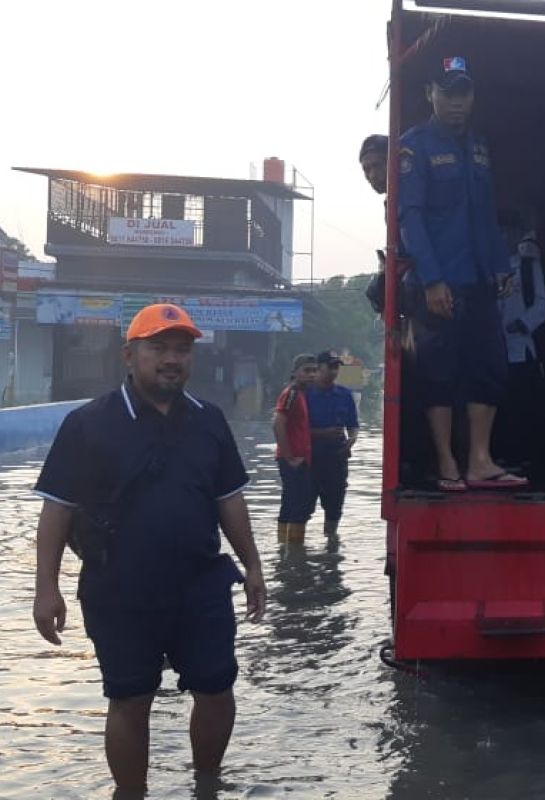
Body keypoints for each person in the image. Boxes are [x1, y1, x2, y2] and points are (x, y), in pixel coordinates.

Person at [31, 303, 266, 795]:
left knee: (217, 689)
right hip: (119, 586)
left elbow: (230, 500)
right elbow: (57, 510)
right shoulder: (88, 423)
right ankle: (131, 794)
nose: (171, 359)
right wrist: (45, 588)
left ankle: (207, 785)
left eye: (181, 349)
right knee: (130, 699)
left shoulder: (209, 421)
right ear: (129, 355)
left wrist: (254, 567)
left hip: (201, 583)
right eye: (157, 347)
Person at [397, 55, 526, 492]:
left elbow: (485, 214)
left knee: (488, 367)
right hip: (441, 281)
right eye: (448, 92)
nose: (457, 102)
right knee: (440, 374)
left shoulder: (478, 146)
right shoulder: (414, 147)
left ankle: (480, 461)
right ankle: (447, 463)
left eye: (464, 93)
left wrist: (500, 266)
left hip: (480, 277)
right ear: (430, 94)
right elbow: (410, 219)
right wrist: (432, 280)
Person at [495, 214, 545, 471]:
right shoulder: (490, 266)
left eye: (510, 231)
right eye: (501, 232)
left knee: (524, 403)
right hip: (495, 347)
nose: (505, 237)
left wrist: (523, 323)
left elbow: (542, 304)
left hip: (522, 345)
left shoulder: (528, 266)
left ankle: (524, 457)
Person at [305, 350, 360, 536]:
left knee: (334, 507)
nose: (334, 371)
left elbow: (353, 425)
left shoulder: (344, 395)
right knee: (302, 507)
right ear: (319, 368)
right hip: (309, 459)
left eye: (337, 367)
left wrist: (352, 440)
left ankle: (331, 546)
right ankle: (296, 553)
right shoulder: (304, 394)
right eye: (330, 367)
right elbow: (294, 430)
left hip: (336, 458)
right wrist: (323, 433)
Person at [273, 353, 319, 542]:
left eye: (314, 371)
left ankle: (285, 550)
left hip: (297, 459)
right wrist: (290, 458)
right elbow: (277, 423)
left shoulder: (300, 393)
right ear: (295, 372)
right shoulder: (291, 393)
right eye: (307, 371)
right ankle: (295, 554)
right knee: (298, 506)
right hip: (293, 461)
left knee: (290, 504)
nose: (312, 375)